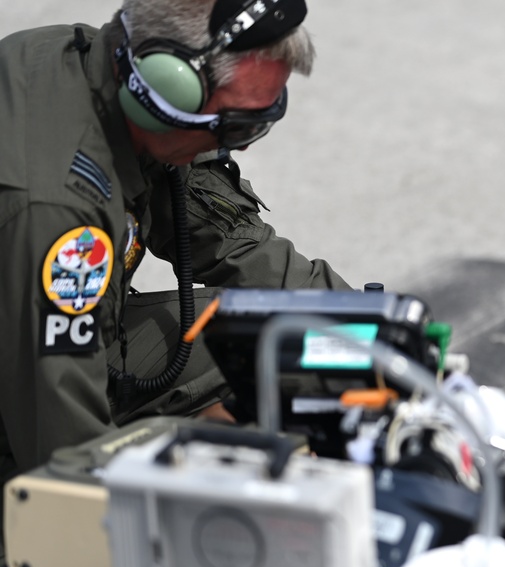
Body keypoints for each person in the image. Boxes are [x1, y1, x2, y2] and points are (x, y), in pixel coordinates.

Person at [0, 0, 352, 526]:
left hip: (34, 346)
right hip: (23, 397)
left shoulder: (110, 69)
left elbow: (234, 243)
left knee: (276, 341)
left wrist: (374, 337)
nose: (240, 145)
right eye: (233, 129)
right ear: (163, 91)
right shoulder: (56, 209)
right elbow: (62, 454)